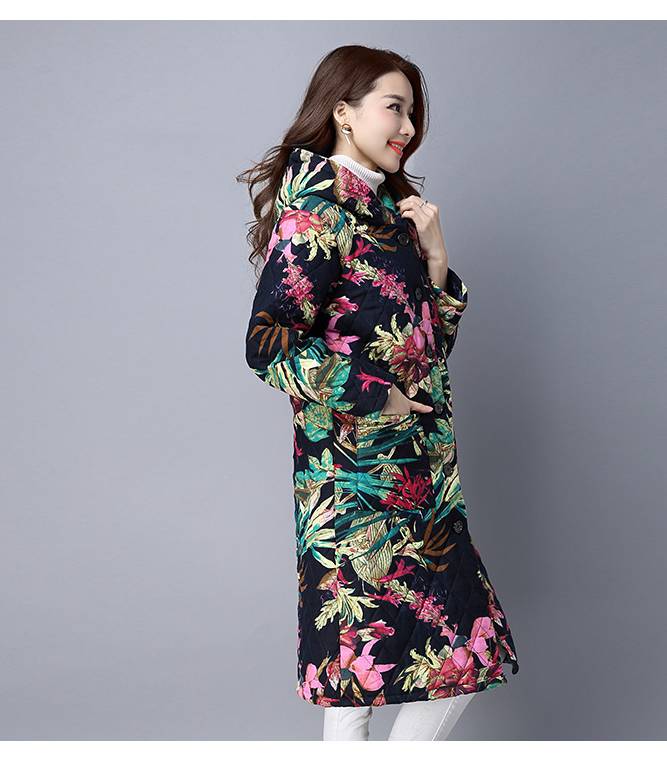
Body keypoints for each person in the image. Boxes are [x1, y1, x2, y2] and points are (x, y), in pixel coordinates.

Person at [239, 44, 519, 741]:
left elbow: (422, 353)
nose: (408, 127)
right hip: (355, 482)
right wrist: (376, 397)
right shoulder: (317, 211)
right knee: (395, 669)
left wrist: (436, 262)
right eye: (394, 107)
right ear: (343, 112)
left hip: (417, 478)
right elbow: (267, 343)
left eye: (413, 112)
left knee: (359, 684)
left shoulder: (386, 212)